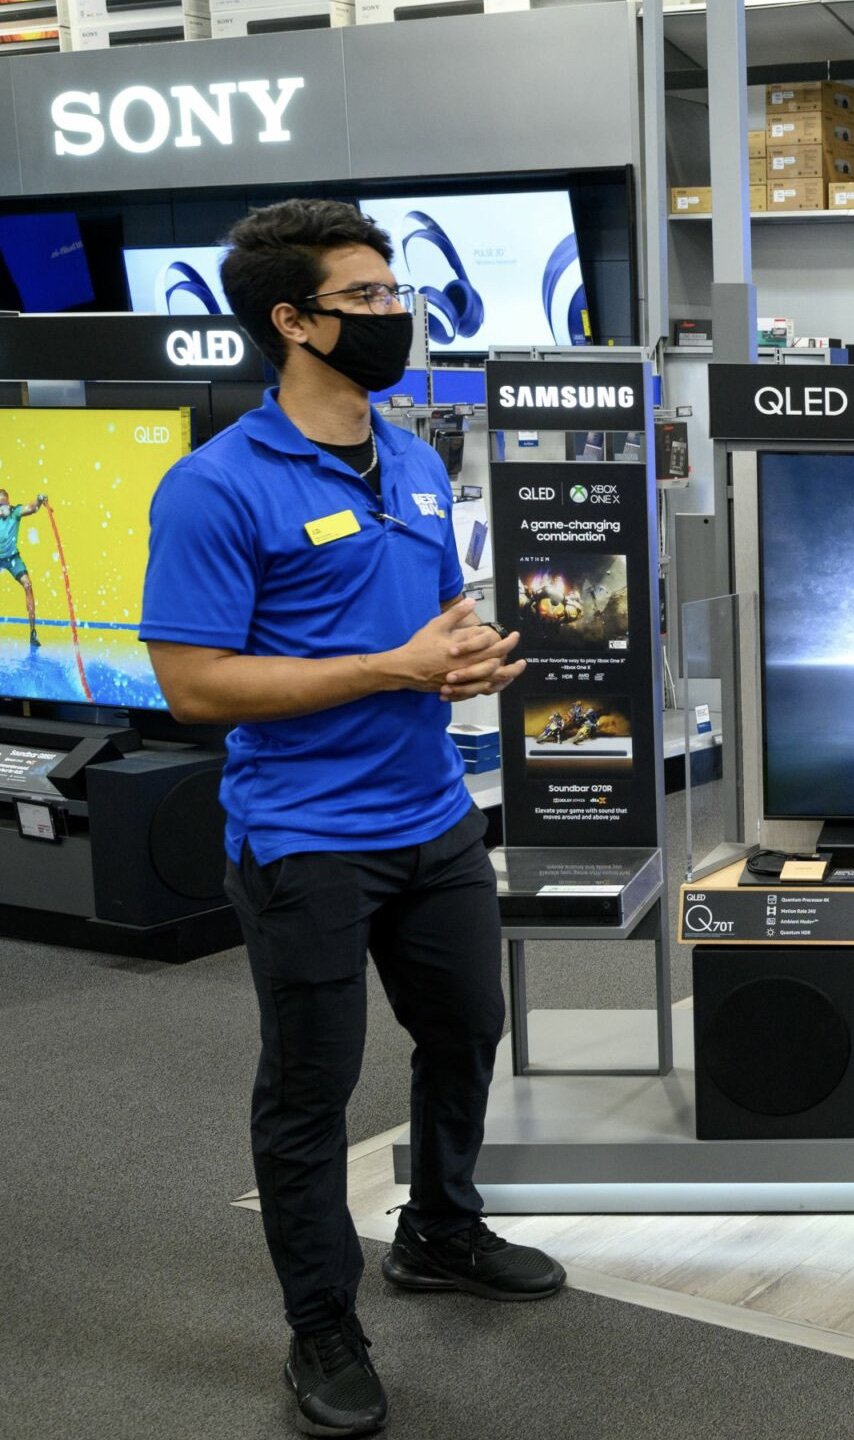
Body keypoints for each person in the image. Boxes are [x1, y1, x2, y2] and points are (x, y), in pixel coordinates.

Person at [140, 200, 559, 1440]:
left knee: (466, 1033)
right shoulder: (215, 489)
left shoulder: (416, 457)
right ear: (292, 322)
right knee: (312, 1091)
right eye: (367, 298)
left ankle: (438, 1228)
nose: (396, 312)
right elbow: (195, 686)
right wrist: (393, 667)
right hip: (305, 837)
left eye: (393, 293)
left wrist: (468, 658)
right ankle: (321, 1326)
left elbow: (438, 622)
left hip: (432, 818)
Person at [0, 488, 49, 644]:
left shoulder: (15, 512)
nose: (2, 507)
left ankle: (33, 633)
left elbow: (32, 508)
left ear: (9, 502)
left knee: (27, 584)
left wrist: (39, 499)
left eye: (4, 503)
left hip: (13, 558)